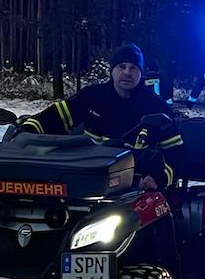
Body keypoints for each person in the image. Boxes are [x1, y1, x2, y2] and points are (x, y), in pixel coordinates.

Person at [17, 42, 186, 191]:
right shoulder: (92, 97)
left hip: (136, 186)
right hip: (89, 180)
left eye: (133, 68)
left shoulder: (156, 107)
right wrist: (28, 130)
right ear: (112, 71)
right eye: (121, 66)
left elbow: (176, 153)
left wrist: (159, 178)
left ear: (141, 73)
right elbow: (56, 116)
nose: (127, 72)